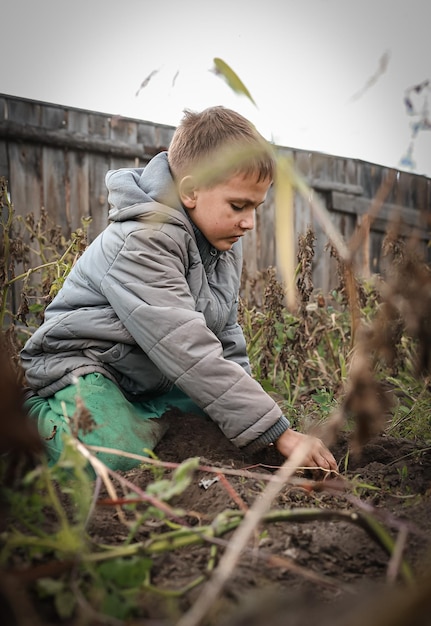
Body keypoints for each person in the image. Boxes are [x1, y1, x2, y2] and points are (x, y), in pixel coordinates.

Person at [21, 106, 337, 473]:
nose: (250, 222)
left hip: (147, 376)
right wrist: (277, 432)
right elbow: (187, 345)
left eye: (257, 208)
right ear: (190, 191)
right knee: (109, 458)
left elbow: (224, 337)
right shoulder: (143, 240)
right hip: (86, 366)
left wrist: (263, 423)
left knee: (225, 426)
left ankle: (137, 420)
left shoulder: (221, 244)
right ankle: (30, 420)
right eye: (239, 205)